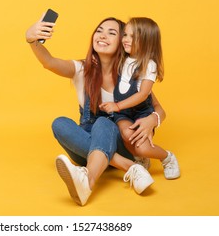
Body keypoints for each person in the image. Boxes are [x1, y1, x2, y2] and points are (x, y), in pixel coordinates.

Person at [25, 13, 164, 206]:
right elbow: (49, 62)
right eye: (99, 31)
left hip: (121, 145)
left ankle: (87, 181)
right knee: (60, 124)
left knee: (103, 122)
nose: (102, 35)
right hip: (86, 149)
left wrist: (152, 120)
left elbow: (157, 108)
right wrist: (32, 40)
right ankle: (130, 168)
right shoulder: (81, 69)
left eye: (111, 33)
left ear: (123, 41)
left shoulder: (130, 74)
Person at [99, 17, 180, 180]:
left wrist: (117, 106)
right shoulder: (122, 58)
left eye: (132, 37)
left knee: (141, 148)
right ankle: (139, 158)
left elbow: (143, 94)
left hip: (140, 112)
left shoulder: (149, 65)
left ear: (147, 41)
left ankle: (166, 157)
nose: (126, 40)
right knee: (128, 136)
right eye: (125, 35)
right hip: (124, 114)